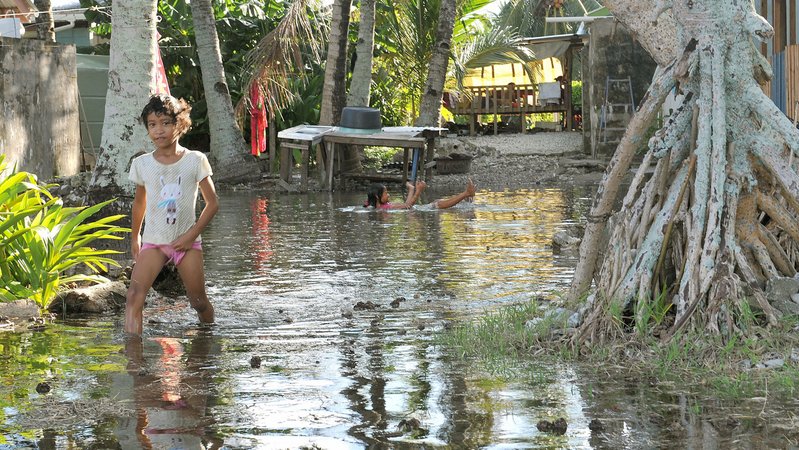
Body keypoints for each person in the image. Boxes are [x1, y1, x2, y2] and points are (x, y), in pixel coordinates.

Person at [125, 95, 219, 336]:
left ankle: (208, 337)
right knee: (134, 296)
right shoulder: (142, 164)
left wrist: (190, 236)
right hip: (154, 242)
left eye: (166, 123)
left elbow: (212, 204)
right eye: (152, 124)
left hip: (186, 243)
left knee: (198, 301)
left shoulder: (195, 160)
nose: (159, 130)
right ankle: (133, 354)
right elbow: (139, 203)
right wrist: (135, 237)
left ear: (180, 124)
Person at [364, 179, 476, 210]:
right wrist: (418, 191)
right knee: (439, 204)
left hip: (418, 209)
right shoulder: (385, 208)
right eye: (386, 193)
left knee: (438, 202)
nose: (388, 195)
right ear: (377, 197)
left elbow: (406, 204)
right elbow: (408, 206)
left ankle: (466, 199)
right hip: (419, 210)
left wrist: (411, 189)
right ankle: (466, 194)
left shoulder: (380, 207)